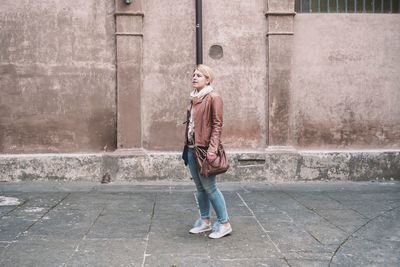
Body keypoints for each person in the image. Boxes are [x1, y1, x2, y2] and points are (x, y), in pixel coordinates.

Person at [182, 64, 232, 239]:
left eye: (199, 75)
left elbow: (217, 125)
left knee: (210, 188)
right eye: (194, 75)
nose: (194, 78)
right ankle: (205, 221)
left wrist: (212, 150)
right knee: (200, 188)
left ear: (208, 79)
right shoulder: (194, 97)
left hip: (204, 150)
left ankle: (224, 223)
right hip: (191, 148)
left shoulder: (213, 97)